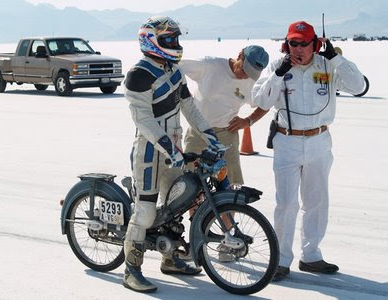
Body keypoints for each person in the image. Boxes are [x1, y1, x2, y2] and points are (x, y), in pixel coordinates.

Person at [251, 21, 364, 281]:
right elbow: (260, 100)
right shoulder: (277, 66)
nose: (298, 49)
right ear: (285, 43)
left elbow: (357, 86)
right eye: (293, 43)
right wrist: (279, 73)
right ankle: (280, 259)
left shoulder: (327, 65)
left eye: (304, 43)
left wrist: (335, 58)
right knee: (287, 203)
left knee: (317, 201)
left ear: (316, 44)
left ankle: (311, 256)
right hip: (287, 141)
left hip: (319, 141)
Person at [123, 16, 226, 293]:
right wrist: (170, 148)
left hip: (175, 151)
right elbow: (143, 121)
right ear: (151, 41)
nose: (176, 44)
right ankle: (131, 270)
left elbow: (190, 108)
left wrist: (210, 136)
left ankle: (170, 259)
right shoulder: (138, 74)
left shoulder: (173, 70)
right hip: (149, 152)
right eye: (169, 40)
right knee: (145, 212)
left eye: (176, 39)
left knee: (175, 205)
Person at [181, 45, 269, 188]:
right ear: (240, 55)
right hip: (198, 131)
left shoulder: (251, 83)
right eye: (244, 70)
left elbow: (266, 103)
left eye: (251, 74)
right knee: (191, 182)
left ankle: (227, 210)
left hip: (227, 133)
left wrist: (248, 121)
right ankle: (197, 210)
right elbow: (176, 67)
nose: (245, 75)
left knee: (230, 185)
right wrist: (184, 94)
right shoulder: (210, 65)